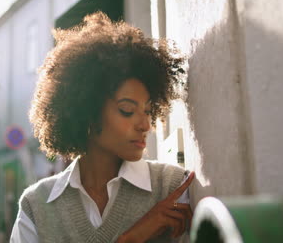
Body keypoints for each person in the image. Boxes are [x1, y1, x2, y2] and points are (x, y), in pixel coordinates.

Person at [10, 12, 194, 243]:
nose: (145, 125)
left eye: (148, 111)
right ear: (88, 111)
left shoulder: (172, 188)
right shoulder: (36, 207)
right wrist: (130, 239)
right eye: (127, 110)